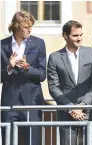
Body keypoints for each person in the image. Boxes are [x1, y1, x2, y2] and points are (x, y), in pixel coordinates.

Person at [47, 20, 92, 145]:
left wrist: (82, 105)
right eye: (75, 36)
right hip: (66, 114)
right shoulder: (55, 57)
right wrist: (71, 108)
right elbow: (53, 87)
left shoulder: (91, 53)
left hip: (89, 111)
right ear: (65, 36)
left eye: (81, 35)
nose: (79, 39)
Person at [1, 11, 46, 145]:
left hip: (32, 101)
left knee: (33, 141)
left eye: (31, 26)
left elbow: (42, 75)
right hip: (10, 102)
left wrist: (27, 68)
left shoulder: (39, 43)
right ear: (16, 26)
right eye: (26, 27)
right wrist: (9, 67)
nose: (29, 29)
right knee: (8, 140)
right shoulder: (2, 45)